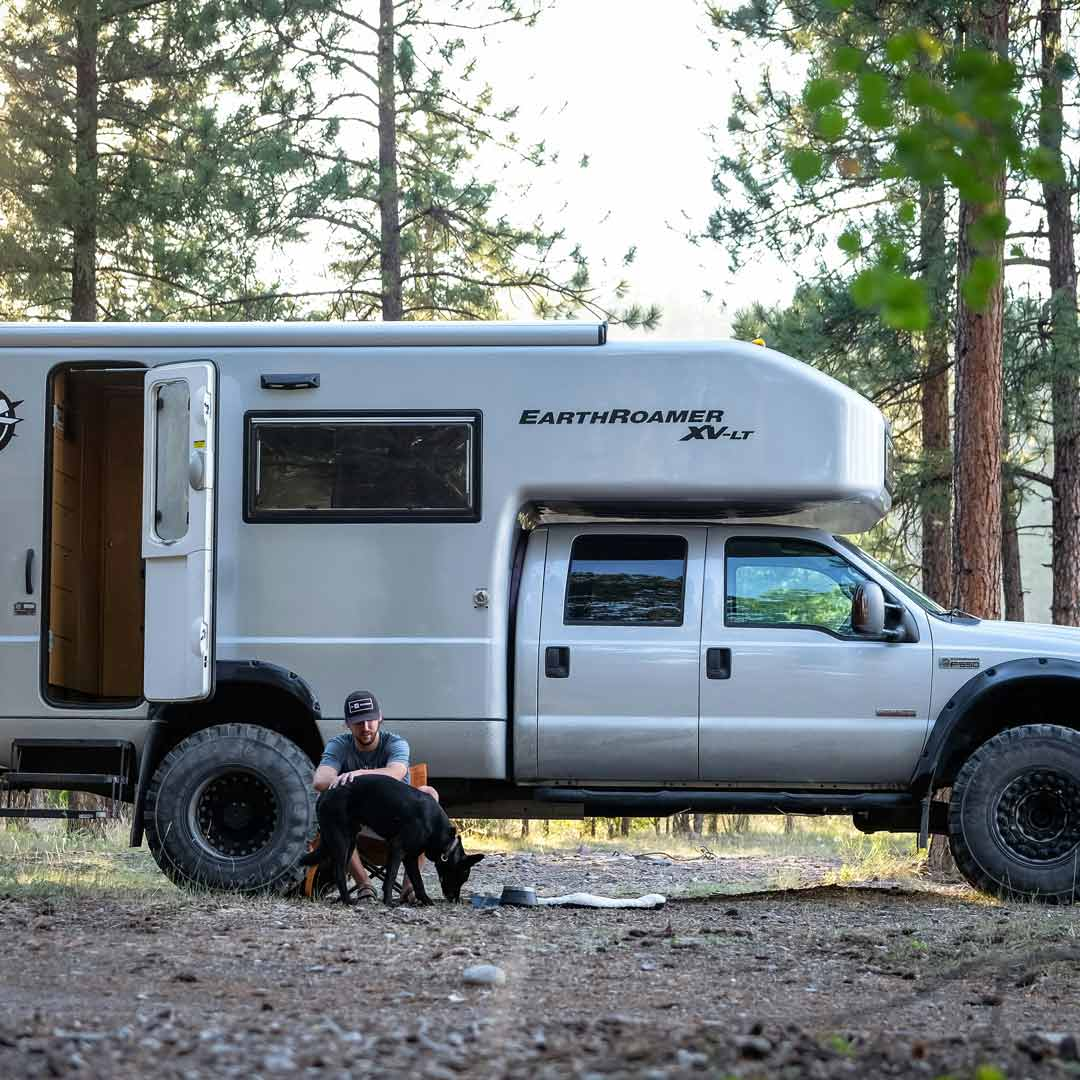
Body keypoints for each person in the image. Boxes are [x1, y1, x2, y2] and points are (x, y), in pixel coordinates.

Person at [312, 689, 439, 901]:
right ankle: (364, 885)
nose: (366, 727)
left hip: (399, 827)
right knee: (329, 805)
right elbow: (320, 781)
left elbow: (397, 772)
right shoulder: (339, 745)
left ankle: (410, 888)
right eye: (359, 722)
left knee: (429, 794)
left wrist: (358, 774)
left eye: (370, 720)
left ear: (380, 717)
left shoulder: (395, 743)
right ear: (347, 723)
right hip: (357, 829)